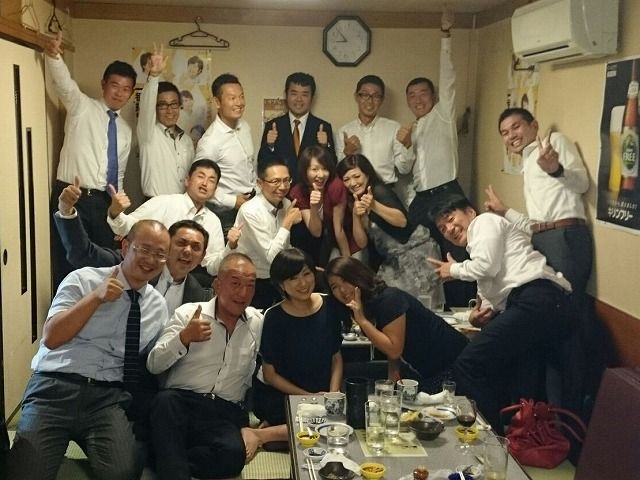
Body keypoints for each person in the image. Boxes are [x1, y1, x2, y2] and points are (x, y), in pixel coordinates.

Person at [8, 220, 171, 480]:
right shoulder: (84, 279)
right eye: (144, 249)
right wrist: (95, 298)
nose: (151, 259)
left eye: (160, 254)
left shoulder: (157, 306)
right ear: (125, 247)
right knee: (25, 474)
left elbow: (151, 361)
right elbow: (51, 338)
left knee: (124, 472)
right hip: (54, 388)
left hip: (106, 399)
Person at [428, 198, 572, 431]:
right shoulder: (477, 246)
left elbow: (487, 267)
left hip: (538, 297)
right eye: (443, 229)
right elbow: (489, 293)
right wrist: (476, 316)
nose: (449, 229)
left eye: (451, 219)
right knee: (520, 379)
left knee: (468, 364)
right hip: (535, 303)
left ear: (470, 212)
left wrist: (453, 269)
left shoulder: (484, 222)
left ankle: (492, 436)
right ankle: (518, 436)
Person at [489, 107, 597, 416]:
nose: (511, 136)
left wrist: (556, 169)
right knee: (550, 322)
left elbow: (582, 184)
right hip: (544, 238)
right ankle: (550, 412)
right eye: (505, 133)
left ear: (534, 126)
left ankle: (572, 414)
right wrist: (504, 211)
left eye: (516, 127)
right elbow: (535, 223)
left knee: (569, 322)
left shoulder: (555, 142)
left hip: (566, 236)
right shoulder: (526, 162)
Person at [147, 253, 283, 480]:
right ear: (217, 285)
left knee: (233, 457)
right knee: (165, 402)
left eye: (250, 285)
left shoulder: (258, 323)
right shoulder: (189, 313)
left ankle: (164, 456)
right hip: (181, 403)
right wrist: (183, 338)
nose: (243, 293)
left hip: (225, 412)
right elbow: (154, 364)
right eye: (236, 283)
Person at [44, 31, 137, 286]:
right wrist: (54, 57)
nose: (119, 93)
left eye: (126, 89)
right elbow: (65, 85)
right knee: (68, 262)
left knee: (103, 264)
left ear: (131, 94)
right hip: (72, 195)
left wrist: (117, 206)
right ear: (103, 84)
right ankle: (66, 309)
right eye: (115, 85)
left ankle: (98, 308)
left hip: (103, 202)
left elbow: (117, 174)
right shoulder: (81, 107)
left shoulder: (125, 130)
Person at [400, 11, 475, 307]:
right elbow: (405, 168)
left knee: (457, 248)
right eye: (412, 95)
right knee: (401, 236)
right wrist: (405, 145)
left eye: (423, 94)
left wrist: (446, 36)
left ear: (433, 96)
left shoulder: (443, 115)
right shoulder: (413, 128)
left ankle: (462, 306)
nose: (418, 99)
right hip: (422, 197)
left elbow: (448, 80)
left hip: (446, 191)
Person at [54, 180, 209, 314]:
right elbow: (83, 253)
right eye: (181, 243)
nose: (187, 251)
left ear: (202, 257)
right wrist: (66, 211)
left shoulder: (196, 293)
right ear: (167, 247)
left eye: (195, 247)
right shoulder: (132, 261)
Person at [326, 256, 468, 392]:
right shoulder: (365, 307)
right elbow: (391, 349)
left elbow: (394, 349)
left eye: (345, 281)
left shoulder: (389, 299)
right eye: (334, 287)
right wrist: (391, 381)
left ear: (357, 276)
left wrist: (362, 321)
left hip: (455, 364)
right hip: (428, 369)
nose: (342, 290)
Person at [253, 248, 343, 432]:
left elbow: (336, 357)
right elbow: (270, 375)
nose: (302, 283)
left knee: (339, 426)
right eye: (293, 278)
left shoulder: (329, 305)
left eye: (306, 274)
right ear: (281, 284)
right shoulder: (274, 317)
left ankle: (272, 432)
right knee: (311, 425)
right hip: (284, 395)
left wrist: (332, 394)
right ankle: (266, 434)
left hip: (323, 392)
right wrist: (309, 398)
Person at [336, 154, 444, 307]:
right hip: (392, 261)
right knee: (393, 307)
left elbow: (402, 221)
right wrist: (355, 215)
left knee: (422, 308)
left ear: (367, 174)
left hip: (416, 254)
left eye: (357, 176)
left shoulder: (379, 190)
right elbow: (362, 242)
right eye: (346, 179)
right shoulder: (354, 200)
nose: (353, 183)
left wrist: (374, 206)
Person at [106, 159, 226, 278]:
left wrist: (231, 246)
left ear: (215, 190)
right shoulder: (164, 202)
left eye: (211, 180)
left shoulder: (214, 221)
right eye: (200, 176)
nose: (205, 183)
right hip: (151, 267)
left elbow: (213, 267)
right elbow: (129, 228)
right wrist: (115, 212)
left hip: (187, 277)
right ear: (187, 180)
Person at [231, 159, 302, 310]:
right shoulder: (250, 210)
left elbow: (285, 246)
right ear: (260, 183)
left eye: (286, 180)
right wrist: (287, 223)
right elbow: (271, 257)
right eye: (275, 181)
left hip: (277, 277)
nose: (282, 187)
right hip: (252, 280)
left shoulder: (286, 204)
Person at [335, 75, 414, 204]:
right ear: (356, 97)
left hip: (385, 193)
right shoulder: (344, 131)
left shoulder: (393, 128)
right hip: (354, 195)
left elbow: (404, 169)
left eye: (376, 96)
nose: (370, 101)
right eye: (364, 95)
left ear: (382, 100)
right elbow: (339, 172)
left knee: (400, 217)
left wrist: (407, 145)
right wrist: (347, 153)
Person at [195, 73, 256, 234]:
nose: (239, 103)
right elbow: (200, 183)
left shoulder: (245, 127)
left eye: (241, 96)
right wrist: (233, 201)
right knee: (228, 249)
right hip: (225, 212)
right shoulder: (210, 141)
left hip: (250, 204)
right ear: (217, 102)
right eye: (232, 98)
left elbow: (249, 166)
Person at [258, 72, 335, 184]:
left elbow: (332, 167)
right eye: (294, 93)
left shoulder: (323, 127)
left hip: (311, 190)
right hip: (281, 190)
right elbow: (262, 165)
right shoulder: (273, 126)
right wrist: (270, 146)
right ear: (286, 95)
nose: (299, 99)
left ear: (312, 98)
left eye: (304, 94)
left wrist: (324, 147)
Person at [137, 46, 194, 197]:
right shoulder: (148, 133)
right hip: (155, 203)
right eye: (163, 105)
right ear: (155, 108)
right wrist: (154, 76)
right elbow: (146, 106)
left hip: (182, 204)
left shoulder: (187, 141)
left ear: (180, 106)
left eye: (174, 104)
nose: (169, 110)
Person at [288, 145, 348, 267]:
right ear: (305, 171)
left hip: (344, 233)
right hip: (316, 241)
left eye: (325, 169)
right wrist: (314, 207)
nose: (321, 175)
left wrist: (348, 261)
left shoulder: (335, 186)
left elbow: (339, 229)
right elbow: (316, 232)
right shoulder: (298, 192)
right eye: (314, 169)